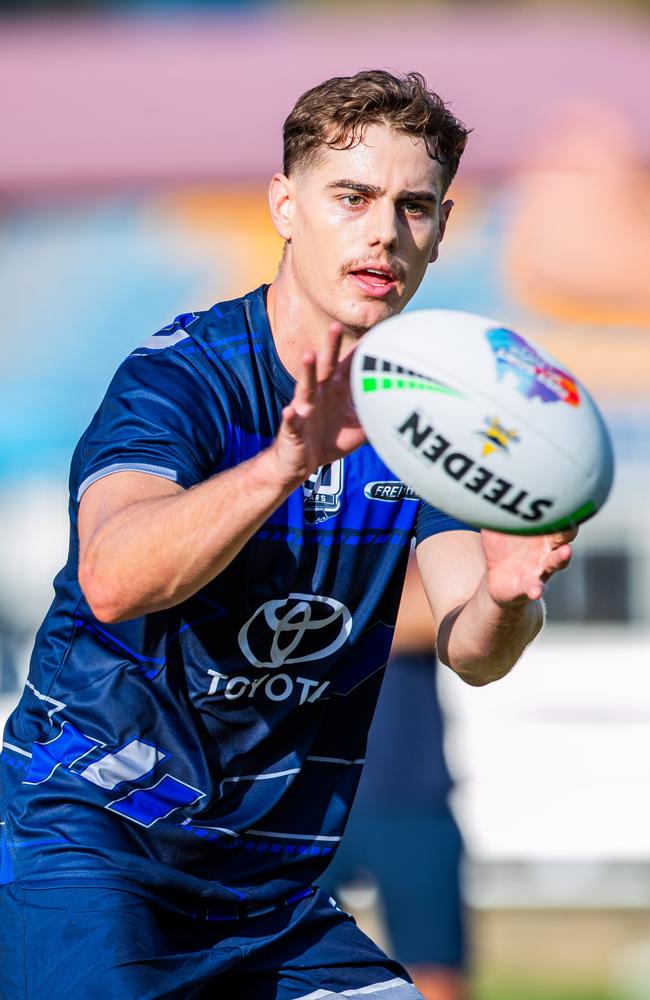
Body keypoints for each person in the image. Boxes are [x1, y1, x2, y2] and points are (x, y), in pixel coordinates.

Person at [0, 70, 575, 1000]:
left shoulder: (430, 412)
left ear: (441, 228)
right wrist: (281, 466)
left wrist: (507, 596)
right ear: (285, 206)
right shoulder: (182, 379)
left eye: (414, 206)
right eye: (352, 197)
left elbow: (474, 650)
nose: (385, 231)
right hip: (94, 848)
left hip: (266, 890)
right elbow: (111, 576)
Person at [320, 555, 467, 1000]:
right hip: (304, 799)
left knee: (433, 974)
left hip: (410, 794)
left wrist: (332, 613)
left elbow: (449, 618)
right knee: (283, 973)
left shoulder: (415, 525)